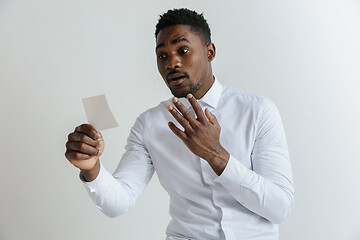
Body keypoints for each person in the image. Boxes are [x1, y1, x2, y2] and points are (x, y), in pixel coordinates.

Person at [65, 8, 294, 240]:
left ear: (210, 52)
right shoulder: (149, 124)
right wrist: (91, 167)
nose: (171, 63)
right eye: (162, 55)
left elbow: (279, 208)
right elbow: (118, 203)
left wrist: (217, 155)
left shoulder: (257, 111)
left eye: (183, 50)